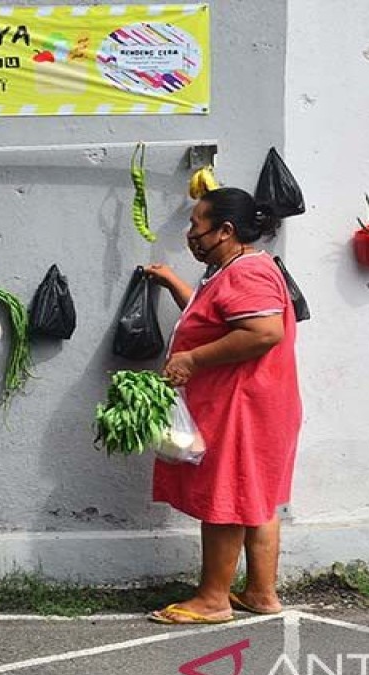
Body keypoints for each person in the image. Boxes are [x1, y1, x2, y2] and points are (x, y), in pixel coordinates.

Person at [142, 187, 302, 625]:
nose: (191, 233)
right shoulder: (236, 268)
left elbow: (263, 332)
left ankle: (214, 599)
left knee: (227, 497)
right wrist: (175, 283)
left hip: (242, 406)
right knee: (256, 497)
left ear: (225, 230)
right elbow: (215, 319)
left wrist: (192, 359)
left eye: (197, 225)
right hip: (262, 403)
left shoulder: (246, 273)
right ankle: (261, 594)